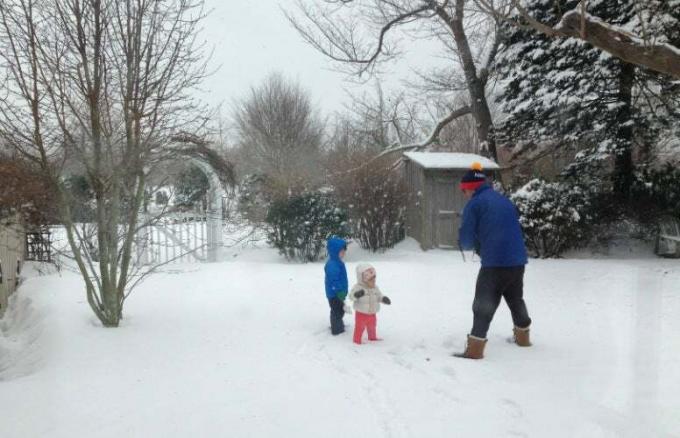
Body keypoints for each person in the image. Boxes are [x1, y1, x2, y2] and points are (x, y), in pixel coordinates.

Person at [454, 162, 532, 359]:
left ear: (470, 188)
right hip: (517, 261)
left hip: (495, 263)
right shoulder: (504, 200)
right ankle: (523, 338)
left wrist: (465, 238)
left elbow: (467, 241)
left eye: (464, 190)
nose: (464, 195)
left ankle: (474, 349)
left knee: (483, 304)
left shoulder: (475, 203)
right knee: (515, 299)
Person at [350, 263, 391, 344]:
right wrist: (357, 295)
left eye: (374, 278)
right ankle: (356, 340)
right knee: (359, 327)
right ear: (363, 280)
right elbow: (351, 297)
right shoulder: (358, 287)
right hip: (361, 314)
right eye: (370, 279)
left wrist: (383, 299)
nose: (373, 281)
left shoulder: (375, 287)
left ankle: (372, 337)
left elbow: (379, 295)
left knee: (372, 326)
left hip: (372, 313)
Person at [325, 237, 349, 335]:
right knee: (336, 311)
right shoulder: (332, 265)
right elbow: (333, 280)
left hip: (339, 292)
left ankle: (337, 324)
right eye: (341, 251)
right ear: (335, 251)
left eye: (344, 251)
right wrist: (339, 290)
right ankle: (336, 329)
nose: (343, 253)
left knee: (340, 310)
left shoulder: (338, 263)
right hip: (335, 293)